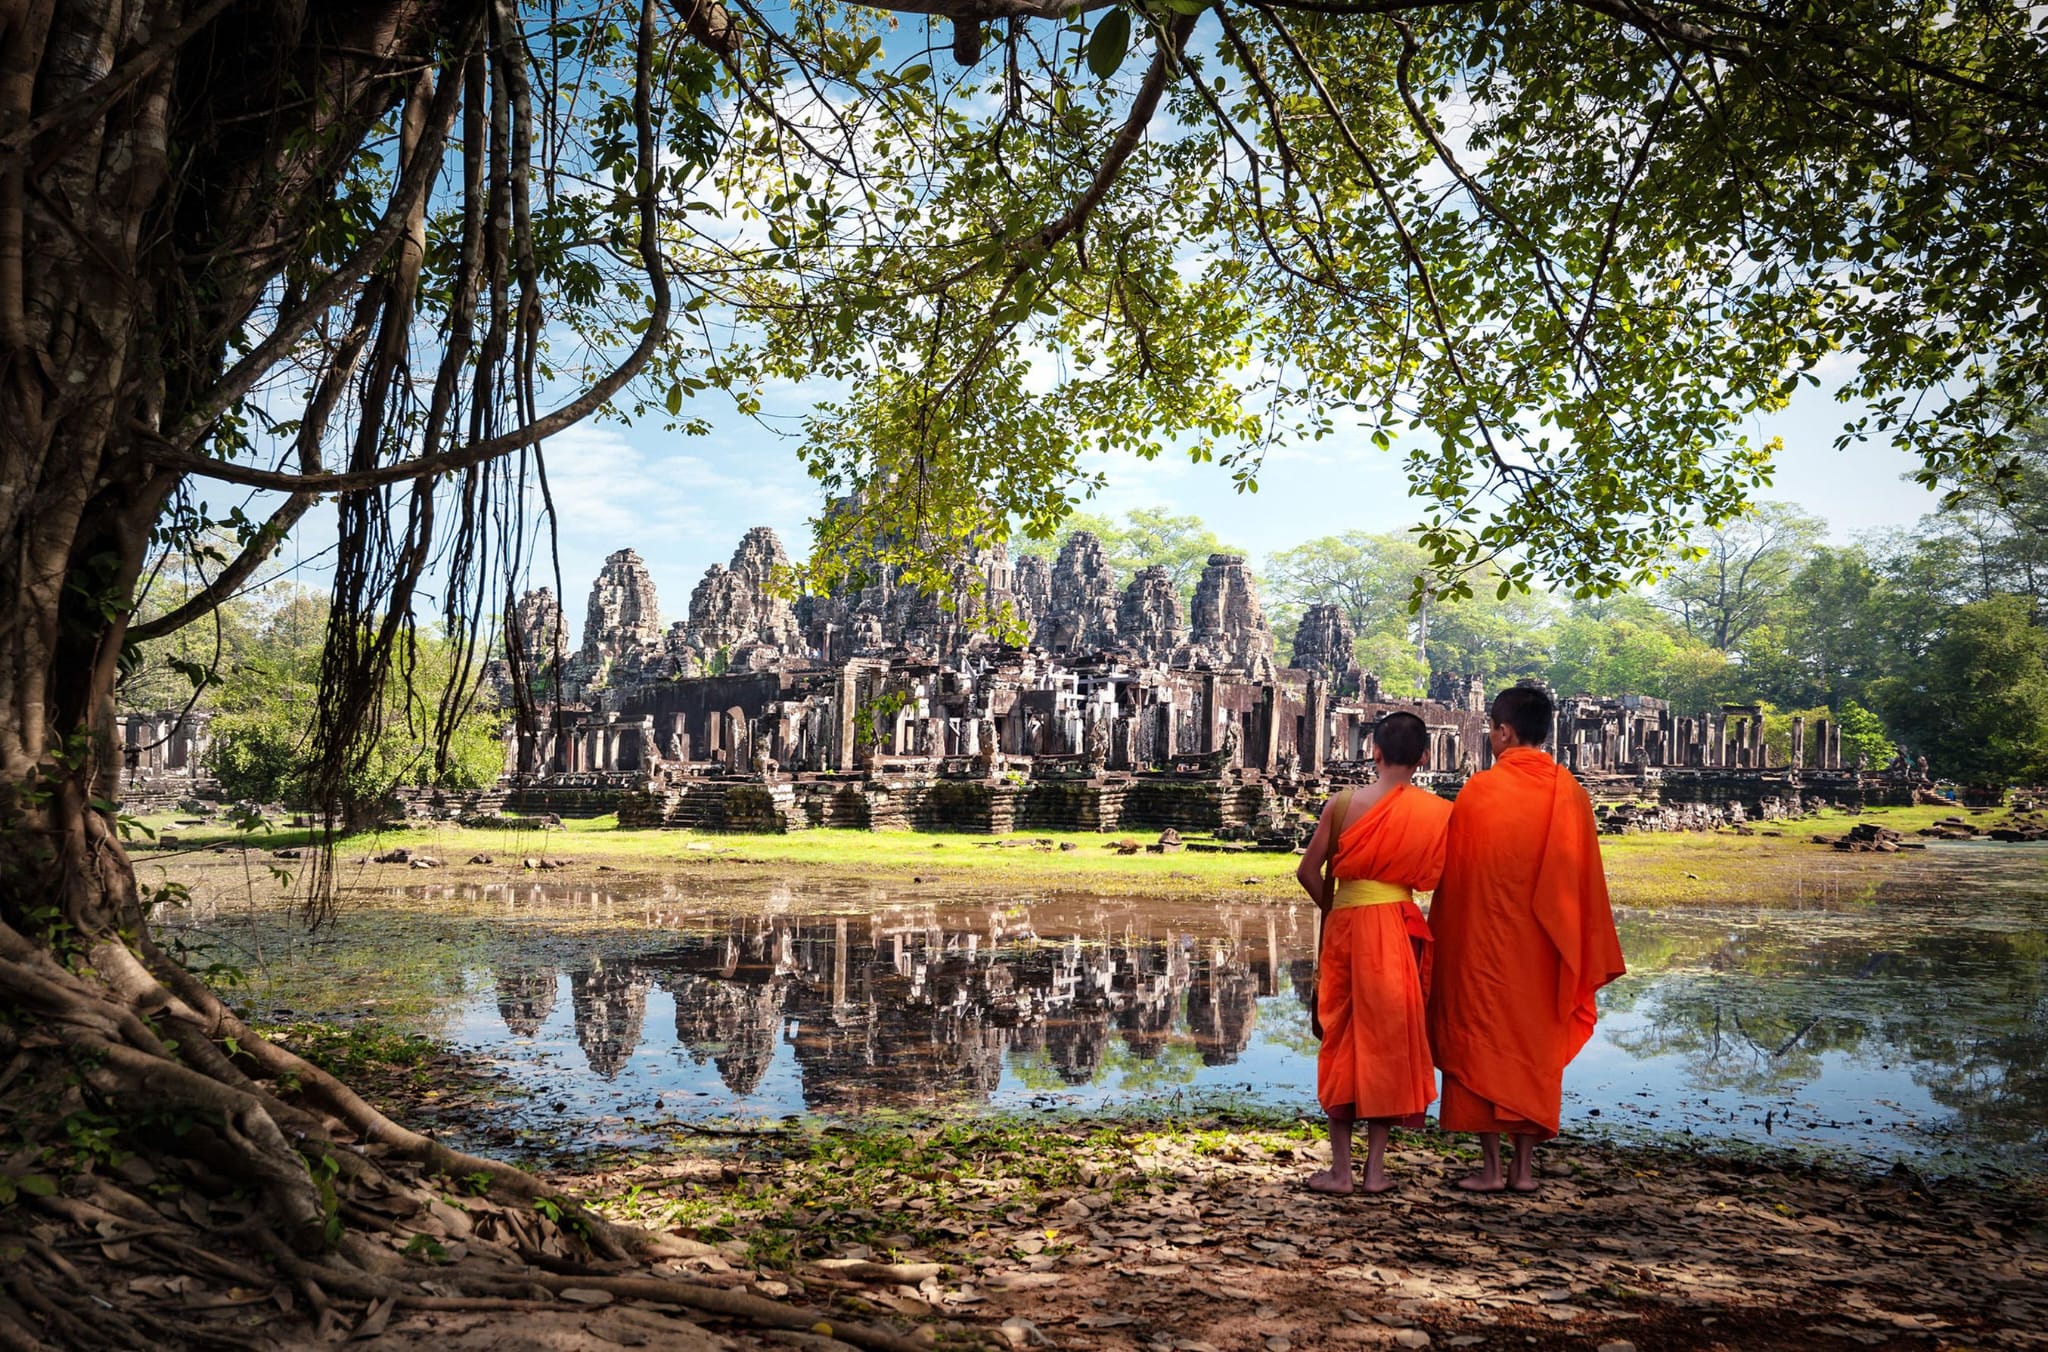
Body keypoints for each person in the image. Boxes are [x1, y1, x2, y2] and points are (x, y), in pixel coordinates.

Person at [1428, 686, 1625, 1194]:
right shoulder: (1571, 793)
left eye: (1492, 729)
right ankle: (1523, 1170)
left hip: (1484, 949)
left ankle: (1492, 1169)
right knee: (1531, 1046)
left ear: (1504, 731)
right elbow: (1584, 883)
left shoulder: (1479, 791)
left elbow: (1458, 881)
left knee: (1481, 1043)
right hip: (1544, 951)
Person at [1295, 711, 1452, 1195]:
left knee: (1341, 1037)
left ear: (1374, 751)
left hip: (1347, 929)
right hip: (1397, 929)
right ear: (1425, 758)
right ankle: (1375, 1172)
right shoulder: (1437, 812)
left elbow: (1308, 871)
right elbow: (1440, 877)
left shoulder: (1341, 805)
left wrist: (1342, 906)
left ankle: (1339, 1171)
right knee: (1388, 1041)